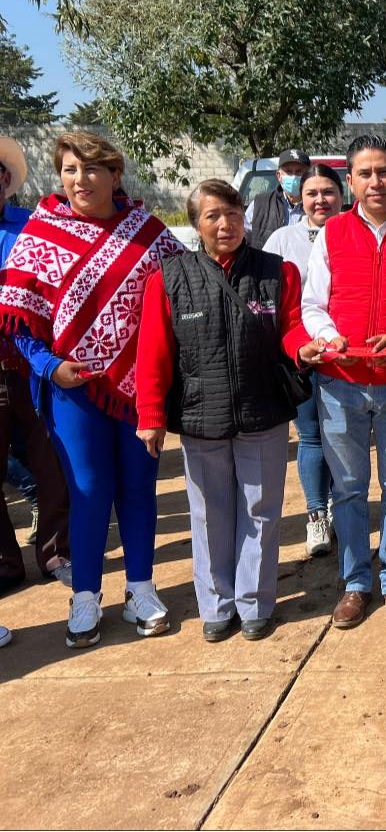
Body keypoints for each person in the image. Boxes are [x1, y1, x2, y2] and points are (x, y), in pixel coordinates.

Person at [0, 131, 184, 648]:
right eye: (70, 171)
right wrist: (49, 364)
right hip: (72, 391)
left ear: (115, 175)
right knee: (88, 493)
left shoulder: (148, 233)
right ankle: (85, 596)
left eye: (92, 170)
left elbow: (182, 292)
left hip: (138, 389)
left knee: (138, 490)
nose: (81, 180)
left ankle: (141, 589)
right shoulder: (42, 231)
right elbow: (18, 317)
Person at [135, 180, 322, 642]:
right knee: (209, 514)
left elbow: (292, 328)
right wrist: (150, 415)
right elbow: (154, 352)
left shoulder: (279, 272)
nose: (226, 224)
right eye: (213, 216)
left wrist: (305, 349)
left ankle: (255, 603)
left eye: (233, 213)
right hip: (201, 415)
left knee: (261, 511)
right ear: (196, 225)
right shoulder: (169, 278)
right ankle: (216, 605)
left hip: (263, 411)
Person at [301, 134, 386, 632]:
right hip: (340, 382)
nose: (375, 181)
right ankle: (356, 582)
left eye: (384, 172)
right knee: (350, 488)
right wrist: (330, 336)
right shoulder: (332, 233)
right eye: (365, 173)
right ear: (351, 181)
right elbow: (313, 304)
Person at [0, 136, 71, 594]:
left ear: (5, 179)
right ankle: (5, 562)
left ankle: (55, 551)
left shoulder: (33, 228)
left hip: (36, 362)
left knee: (53, 461)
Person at [263, 163, 344, 557]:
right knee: (311, 437)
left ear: (342, 196)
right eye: (312, 193)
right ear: (299, 197)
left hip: (347, 357)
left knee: (346, 440)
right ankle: (317, 515)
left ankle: (343, 509)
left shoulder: (352, 233)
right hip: (303, 356)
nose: (319, 200)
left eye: (328, 192)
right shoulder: (282, 239)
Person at [246, 147, 310, 249]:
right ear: (279, 176)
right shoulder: (259, 204)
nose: (293, 177)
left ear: (308, 176)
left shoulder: (316, 207)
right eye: (288, 171)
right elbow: (242, 239)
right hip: (267, 264)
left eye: (299, 172)